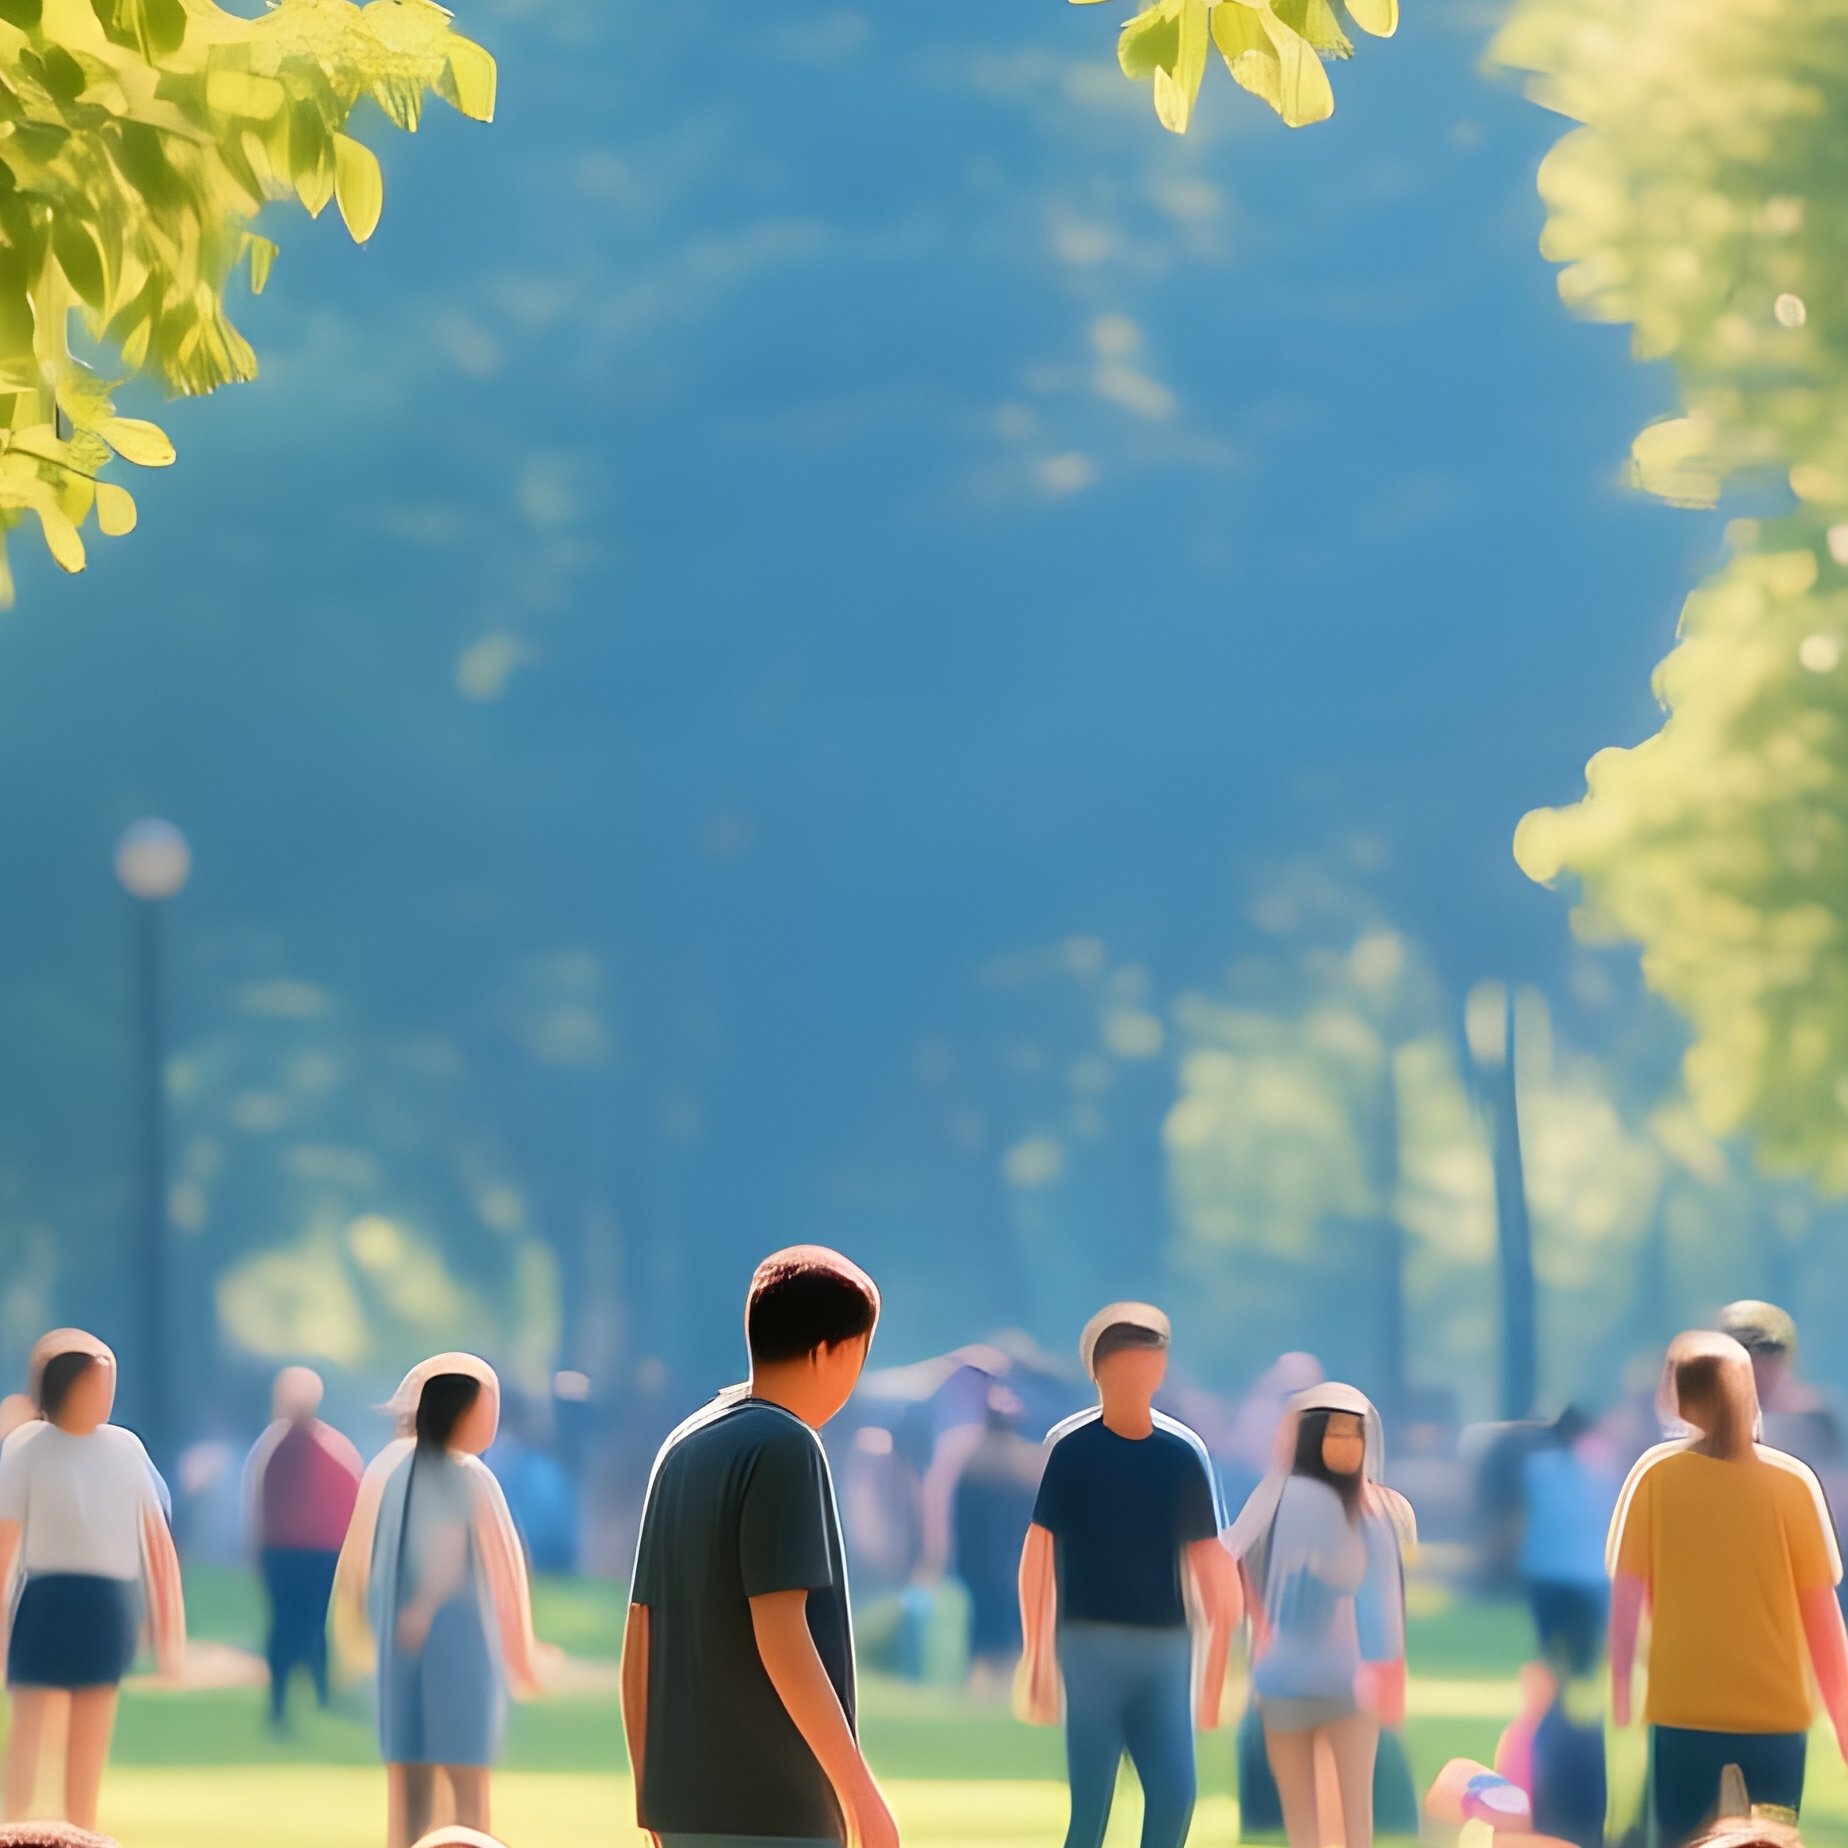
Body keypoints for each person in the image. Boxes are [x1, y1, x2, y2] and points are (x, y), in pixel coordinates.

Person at [622, 1246, 897, 1848]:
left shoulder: (685, 1442)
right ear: (831, 1351)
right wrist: (860, 1797)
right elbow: (782, 1631)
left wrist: (652, 1795)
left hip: (686, 1809)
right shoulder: (785, 1444)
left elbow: (641, 1629)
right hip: (775, 1812)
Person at [1608, 1330, 1848, 1845]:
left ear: (1677, 1397)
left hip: (1682, 1707)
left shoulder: (1654, 1476)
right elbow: (1821, 1615)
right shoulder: (1794, 1482)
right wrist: (1843, 1714)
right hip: (1776, 1715)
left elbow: (1627, 1593)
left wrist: (1621, 1688)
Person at [1018, 1303, 1240, 1848]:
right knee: (1092, 1804)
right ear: (1097, 1372)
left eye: (1148, 1364)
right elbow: (1038, 1556)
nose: (1138, 1378)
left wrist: (1213, 1677)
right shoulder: (1072, 1452)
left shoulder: (1182, 1455)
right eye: (1124, 1366)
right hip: (1088, 1644)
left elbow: (1212, 1566)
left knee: (1174, 1794)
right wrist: (1039, 1658)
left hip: (1165, 1650)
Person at [334, 1353, 542, 1848]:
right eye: (485, 1406)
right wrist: (518, 1652)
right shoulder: (465, 1476)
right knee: (465, 1779)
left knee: (411, 1782)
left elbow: (362, 1563)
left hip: (399, 1646)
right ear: (460, 1413)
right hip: (456, 1639)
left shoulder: (392, 1473)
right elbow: (464, 1557)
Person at [0, 1330, 185, 1831]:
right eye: (92, 1386)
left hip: (106, 1606)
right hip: (46, 1601)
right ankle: (13, 1831)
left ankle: (80, 1830)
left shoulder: (124, 1449)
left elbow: (158, 1548)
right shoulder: (26, 1447)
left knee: (88, 1744)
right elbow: (4, 1545)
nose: (103, 1397)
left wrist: (170, 1636)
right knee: (29, 1740)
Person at [1225, 1382, 1413, 1848]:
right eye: (1335, 1433)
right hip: (1286, 1684)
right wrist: (1260, 1623)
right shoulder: (1284, 1496)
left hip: (1348, 1685)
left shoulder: (1373, 1508)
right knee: (1303, 1825)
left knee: (1355, 1821)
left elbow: (1385, 1598)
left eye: (1355, 1433)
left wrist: (1390, 1669)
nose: (1347, 1444)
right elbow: (1230, 1557)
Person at [243, 1364, 364, 1729]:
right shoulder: (274, 1449)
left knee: (313, 1625)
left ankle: (320, 1695)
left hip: (317, 1553)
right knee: (286, 1626)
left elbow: (351, 1502)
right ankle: (283, 1704)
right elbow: (258, 1504)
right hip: (285, 1552)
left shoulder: (327, 1449)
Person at [951, 1385, 1044, 1695]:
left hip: (994, 1564)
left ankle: (997, 1686)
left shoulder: (975, 1466)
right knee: (994, 1622)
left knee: (994, 1623)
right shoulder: (1014, 1470)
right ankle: (991, 1687)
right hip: (997, 1564)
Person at [1519, 1406, 1619, 1681]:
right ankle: (1578, 1716)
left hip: (1545, 1570)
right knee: (1584, 1662)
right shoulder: (1606, 1471)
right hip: (1591, 1574)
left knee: (1549, 1653)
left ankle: (1552, 1711)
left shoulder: (1535, 1468)